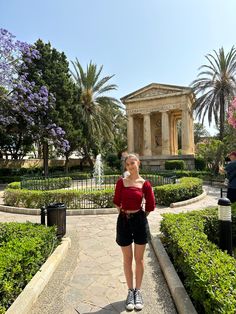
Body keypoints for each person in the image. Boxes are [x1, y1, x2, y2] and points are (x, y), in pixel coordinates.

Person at [113, 153, 155, 311]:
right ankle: (130, 292)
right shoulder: (121, 182)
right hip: (123, 220)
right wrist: (125, 214)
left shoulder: (145, 184)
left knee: (139, 260)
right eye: (127, 164)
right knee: (127, 259)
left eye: (132, 163)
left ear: (139, 163)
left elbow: (150, 205)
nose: (130, 166)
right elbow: (117, 202)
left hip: (139, 220)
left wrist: (138, 216)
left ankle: (138, 291)